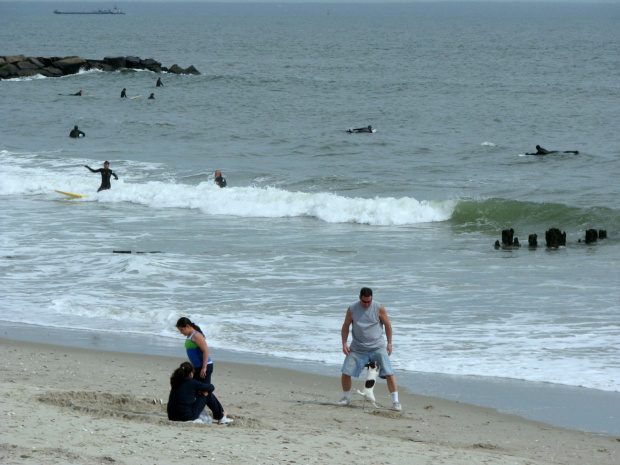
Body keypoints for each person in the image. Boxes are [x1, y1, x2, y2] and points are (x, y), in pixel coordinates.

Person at [339, 287, 401, 411]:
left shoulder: (379, 307)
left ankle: (396, 402)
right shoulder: (352, 308)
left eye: (369, 301)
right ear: (359, 298)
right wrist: (344, 343)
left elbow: (388, 325)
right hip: (358, 347)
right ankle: (346, 398)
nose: (367, 304)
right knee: (346, 372)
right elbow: (346, 326)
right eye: (364, 302)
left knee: (389, 373)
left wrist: (390, 344)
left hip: (377, 346)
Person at [167, 362, 233, 424]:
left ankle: (220, 415)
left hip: (172, 416)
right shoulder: (192, 382)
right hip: (187, 416)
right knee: (208, 395)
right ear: (191, 373)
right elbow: (211, 387)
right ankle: (220, 416)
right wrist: (202, 391)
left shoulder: (176, 382)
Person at [176, 317, 214, 384]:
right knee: (199, 389)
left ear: (188, 326)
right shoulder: (189, 336)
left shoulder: (196, 335)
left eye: (182, 330)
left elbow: (206, 351)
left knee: (205, 390)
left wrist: (204, 368)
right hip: (196, 367)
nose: (181, 333)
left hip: (204, 366)